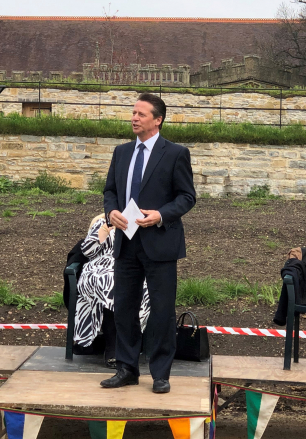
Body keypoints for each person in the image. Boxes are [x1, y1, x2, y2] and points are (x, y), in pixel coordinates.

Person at [100, 93, 196, 394]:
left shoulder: (176, 153)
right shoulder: (121, 151)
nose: (134, 118)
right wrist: (111, 211)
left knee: (162, 310)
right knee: (124, 308)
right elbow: (110, 191)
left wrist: (161, 214)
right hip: (126, 242)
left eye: (141, 114)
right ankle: (127, 368)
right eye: (133, 112)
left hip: (161, 243)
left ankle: (160, 373)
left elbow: (187, 197)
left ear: (158, 120)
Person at [73, 214, 150, 368]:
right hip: (100, 266)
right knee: (109, 283)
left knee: (140, 285)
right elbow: (87, 252)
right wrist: (104, 231)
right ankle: (113, 348)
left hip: (131, 265)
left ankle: (128, 346)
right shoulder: (102, 222)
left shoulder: (139, 223)